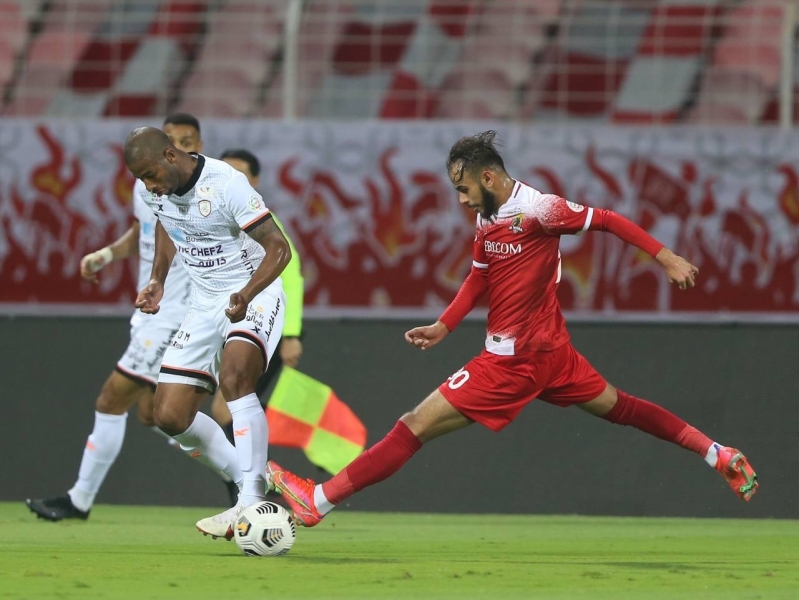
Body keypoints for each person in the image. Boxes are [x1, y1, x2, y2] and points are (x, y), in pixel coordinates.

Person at [268, 130, 759, 528]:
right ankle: (716, 452)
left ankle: (320, 499)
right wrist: (444, 325)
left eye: (464, 189)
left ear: (488, 176)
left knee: (413, 424)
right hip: (553, 355)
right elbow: (479, 276)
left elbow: (606, 219)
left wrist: (666, 257)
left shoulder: (540, 210)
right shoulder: (488, 219)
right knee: (623, 407)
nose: (461, 200)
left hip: (513, 360)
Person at [25, 113, 205, 521]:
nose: (178, 147)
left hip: (174, 313)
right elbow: (143, 234)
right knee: (153, 415)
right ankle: (243, 474)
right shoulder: (148, 187)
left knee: (111, 399)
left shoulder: (199, 193)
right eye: (171, 139)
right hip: (149, 309)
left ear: (197, 144)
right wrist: (106, 254)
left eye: (187, 140)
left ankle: (79, 500)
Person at [125, 127, 291, 539]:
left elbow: (280, 248)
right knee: (168, 415)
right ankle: (250, 487)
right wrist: (158, 278)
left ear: (170, 155)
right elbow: (165, 223)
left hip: (254, 293)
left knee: (236, 379)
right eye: (142, 179)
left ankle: (252, 500)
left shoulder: (226, 184)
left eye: (150, 175)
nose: (148, 187)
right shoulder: (154, 190)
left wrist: (246, 294)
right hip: (203, 303)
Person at [208, 149, 305, 505]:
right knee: (222, 407)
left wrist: (291, 334)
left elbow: (290, 277)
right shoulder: (213, 222)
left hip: (266, 323)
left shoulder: (259, 220)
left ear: (256, 182)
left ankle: (250, 487)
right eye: (226, 172)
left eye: (241, 174)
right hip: (229, 323)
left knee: (225, 407)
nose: (232, 179)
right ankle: (253, 485)